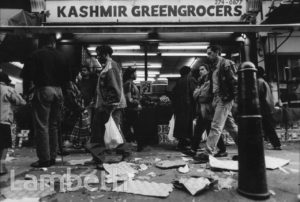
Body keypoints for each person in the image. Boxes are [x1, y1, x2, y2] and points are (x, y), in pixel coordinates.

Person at [21, 34, 71, 167]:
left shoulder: (35, 55)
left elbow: (27, 76)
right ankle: (53, 156)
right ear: (53, 43)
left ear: (41, 43)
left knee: (42, 125)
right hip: (59, 91)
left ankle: (44, 159)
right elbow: (67, 79)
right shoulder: (62, 56)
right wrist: (64, 95)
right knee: (53, 125)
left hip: (44, 90)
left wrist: (27, 93)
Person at [194, 45, 238, 162]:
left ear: (217, 52)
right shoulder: (214, 67)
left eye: (210, 53)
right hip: (217, 99)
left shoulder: (227, 64)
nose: (208, 56)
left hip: (224, 98)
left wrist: (230, 98)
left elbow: (235, 82)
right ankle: (245, 150)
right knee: (231, 127)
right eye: (207, 53)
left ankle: (208, 153)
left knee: (215, 125)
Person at [89, 45, 127, 161]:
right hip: (107, 105)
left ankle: (102, 157)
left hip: (110, 106)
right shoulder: (108, 67)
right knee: (112, 130)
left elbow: (114, 88)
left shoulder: (111, 66)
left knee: (106, 131)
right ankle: (101, 156)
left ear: (106, 54)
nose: (97, 57)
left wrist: (108, 105)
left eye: (99, 54)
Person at [186, 64, 227, 157]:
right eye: (200, 69)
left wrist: (198, 94)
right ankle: (194, 149)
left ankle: (222, 149)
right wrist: (199, 94)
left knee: (207, 130)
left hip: (209, 110)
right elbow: (195, 95)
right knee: (200, 130)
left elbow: (204, 97)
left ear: (207, 71)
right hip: (202, 110)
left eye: (203, 69)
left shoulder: (210, 82)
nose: (201, 71)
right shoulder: (201, 82)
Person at [0, 72, 26, 175]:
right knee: (4, 146)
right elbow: (21, 102)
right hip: (3, 122)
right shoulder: (7, 89)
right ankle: (1, 167)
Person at [172, 66, 197, 151]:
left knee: (181, 125)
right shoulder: (191, 79)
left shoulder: (178, 81)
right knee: (188, 125)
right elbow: (194, 93)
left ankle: (182, 143)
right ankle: (187, 143)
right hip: (188, 106)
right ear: (189, 72)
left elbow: (173, 93)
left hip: (179, 107)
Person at [257, 66, 281, 150]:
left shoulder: (259, 82)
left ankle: (276, 144)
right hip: (267, 107)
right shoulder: (264, 81)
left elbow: (259, 95)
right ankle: (276, 144)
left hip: (263, 107)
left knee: (267, 126)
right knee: (267, 126)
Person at [122, 67, 141, 143]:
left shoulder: (131, 84)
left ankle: (126, 146)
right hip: (131, 110)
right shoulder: (128, 84)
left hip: (132, 110)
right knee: (132, 128)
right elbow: (129, 99)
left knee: (129, 128)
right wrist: (137, 102)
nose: (136, 74)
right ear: (131, 74)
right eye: (135, 73)